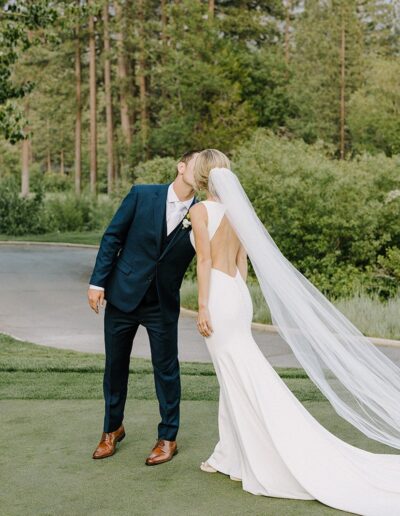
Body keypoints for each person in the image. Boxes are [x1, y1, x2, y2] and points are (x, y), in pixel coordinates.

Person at [188, 149, 400, 515]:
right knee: (233, 375)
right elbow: (242, 262)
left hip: (219, 297)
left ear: (203, 176)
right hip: (238, 294)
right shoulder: (238, 212)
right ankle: (228, 454)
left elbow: (204, 261)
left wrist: (203, 305)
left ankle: (248, 456)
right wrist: (237, 299)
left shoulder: (200, 211)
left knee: (234, 375)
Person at [87, 150, 200, 465]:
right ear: (181, 167)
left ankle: (168, 437)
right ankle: (112, 429)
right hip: (123, 295)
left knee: (166, 370)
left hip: (162, 303)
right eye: (196, 165)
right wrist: (97, 283)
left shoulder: (203, 213)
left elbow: (208, 261)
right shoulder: (142, 194)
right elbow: (113, 238)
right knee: (115, 366)